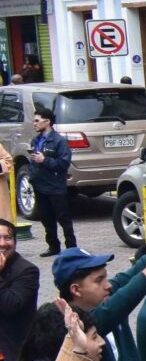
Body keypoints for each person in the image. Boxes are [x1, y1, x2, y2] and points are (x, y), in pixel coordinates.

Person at [26, 105, 78, 254]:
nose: (34, 123)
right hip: (40, 185)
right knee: (46, 218)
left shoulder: (59, 141)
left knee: (63, 218)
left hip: (55, 186)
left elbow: (63, 164)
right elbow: (33, 162)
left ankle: (71, 247)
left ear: (47, 121)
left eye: (37, 120)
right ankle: (53, 247)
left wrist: (45, 160)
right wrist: (32, 175)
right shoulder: (36, 140)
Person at [0, 219, 41, 361]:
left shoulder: (26, 271)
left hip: (13, 357)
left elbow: (11, 305)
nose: (2, 243)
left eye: (8, 238)